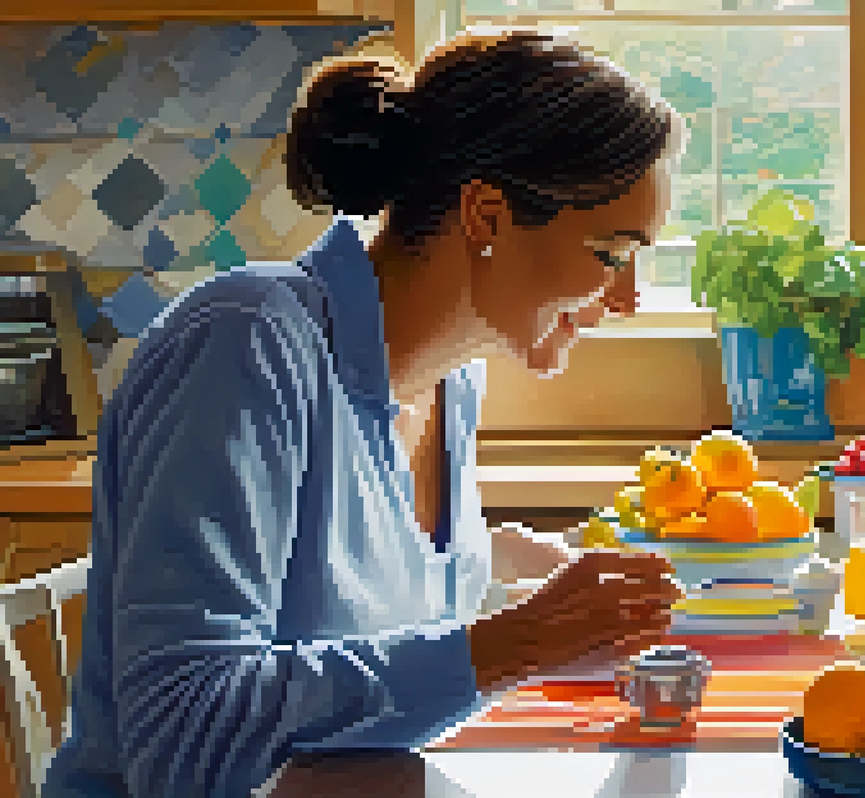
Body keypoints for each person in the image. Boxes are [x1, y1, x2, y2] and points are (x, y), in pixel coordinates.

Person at [43, 31, 686, 798]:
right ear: (485, 215)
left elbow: (362, 630)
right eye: (611, 254)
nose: (629, 299)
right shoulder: (248, 343)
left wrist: (517, 587)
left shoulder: (452, 385)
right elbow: (185, 741)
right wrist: (517, 642)